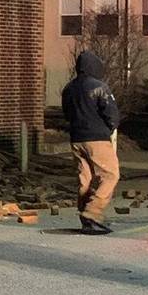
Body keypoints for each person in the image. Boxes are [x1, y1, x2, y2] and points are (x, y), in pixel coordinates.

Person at [62, 51, 122, 235]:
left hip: (76, 138)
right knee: (110, 175)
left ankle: (85, 215)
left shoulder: (68, 88)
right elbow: (111, 114)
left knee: (85, 178)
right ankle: (93, 213)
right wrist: (110, 128)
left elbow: (67, 114)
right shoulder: (99, 87)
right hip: (97, 138)